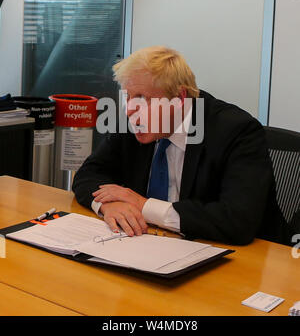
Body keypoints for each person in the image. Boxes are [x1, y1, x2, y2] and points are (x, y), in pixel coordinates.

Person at [72, 46, 290, 245]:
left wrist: (144, 206)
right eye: (128, 97)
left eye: (142, 98)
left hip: (243, 260)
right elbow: (88, 175)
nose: (130, 109)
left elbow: (237, 221)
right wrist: (109, 205)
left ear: (180, 97)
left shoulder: (237, 131)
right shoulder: (135, 121)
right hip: (152, 245)